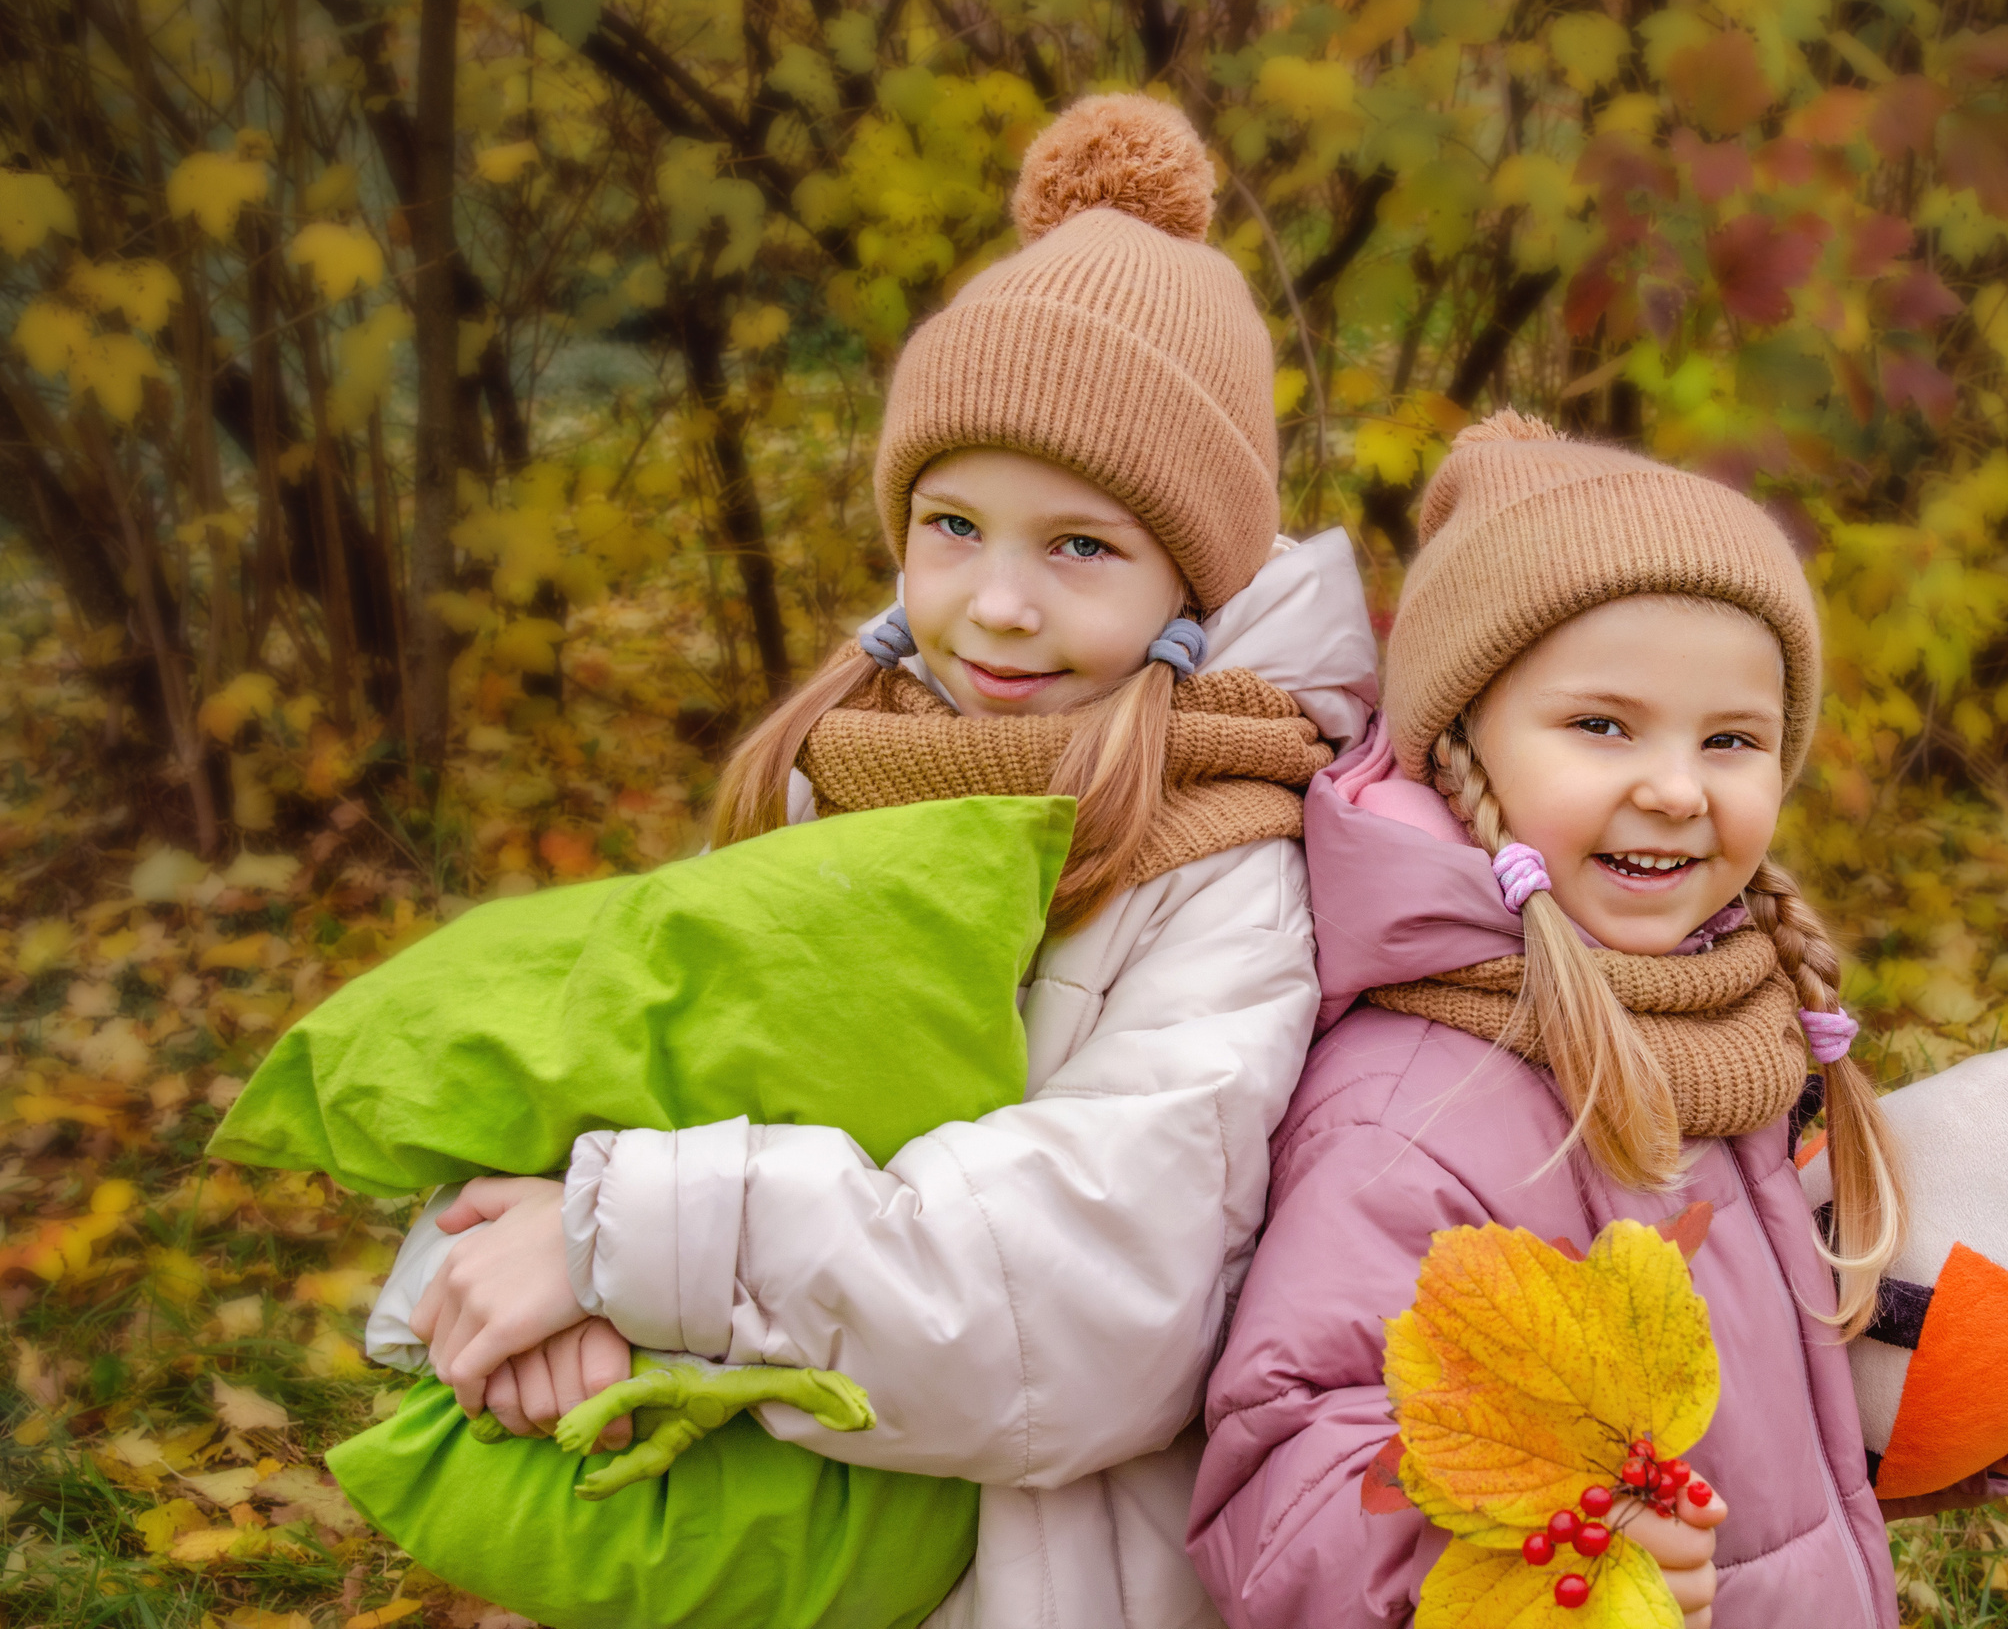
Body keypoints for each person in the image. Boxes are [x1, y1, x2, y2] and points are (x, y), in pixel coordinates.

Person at [363, 93, 1379, 1628]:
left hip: (1039, 1574)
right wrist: (532, 1274)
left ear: (1201, 569)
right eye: (953, 525)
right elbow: (623, 1068)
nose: (999, 607)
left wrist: (620, 1244)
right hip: (778, 1540)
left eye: (1082, 546)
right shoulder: (855, 772)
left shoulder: (1230, 866)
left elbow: (1087, 1300)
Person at [1188, 411, 1908, 1629]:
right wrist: (1537, 1563)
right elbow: (1289, 1465)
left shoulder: (1722, 1021)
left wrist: (1963, 1409)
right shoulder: (1420, 1111)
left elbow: (1779, 1427)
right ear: (1461, 740)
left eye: (1730, 740)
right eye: (1602, 726)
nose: (1676, 788)